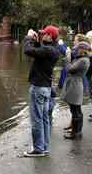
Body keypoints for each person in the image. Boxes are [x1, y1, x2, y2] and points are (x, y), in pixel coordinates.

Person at [23, 26, 59, 157]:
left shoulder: (47, 50)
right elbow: (39, 53)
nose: (42, 35)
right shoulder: (53, 50)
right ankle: (44, 146)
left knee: (37, 119)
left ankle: (38, 149)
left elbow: (28, 50)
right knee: (44, 119)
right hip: (46, 88)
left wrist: (28, 37)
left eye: (44, 34)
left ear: (50, 36)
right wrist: (37, 41)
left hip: (38, 88)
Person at [61, 40, 91, 139]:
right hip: (74, 84)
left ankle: (76, 133)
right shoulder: (81, 58)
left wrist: (67, 60)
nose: (76, 50)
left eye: (78, 48)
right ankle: (76, 132)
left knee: (76, 110)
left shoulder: (83, 60)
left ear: (82, 50)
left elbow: (70, 69)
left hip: (76, 85)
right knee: (75, 110)